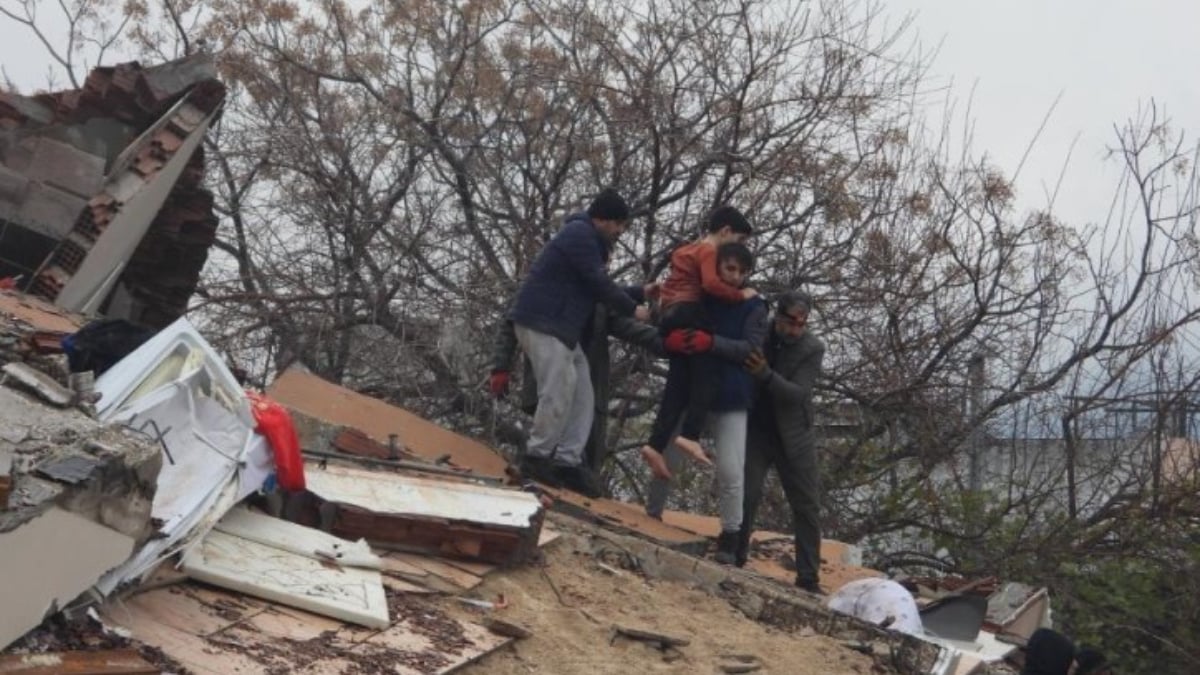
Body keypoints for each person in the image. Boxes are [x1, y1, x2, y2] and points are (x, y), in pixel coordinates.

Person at [507, 189, 651, 497]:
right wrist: (634, 309)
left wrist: (641, 291)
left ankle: (567, 461)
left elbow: (594, 284)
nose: (619, 232)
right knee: (557, 391)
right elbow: (598, 284)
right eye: (617, 225)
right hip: (545, 323)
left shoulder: (586, 239)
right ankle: (536, 456)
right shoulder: (580, 234)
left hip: (560, 329)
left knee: (582, 394)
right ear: (602, 218)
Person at [644, 242, 766, 564]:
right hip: (692, 387)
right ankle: (650, 516)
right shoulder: (700, 295)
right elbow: (666, 325)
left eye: (742, 271)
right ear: (717, 267)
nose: (735, 276)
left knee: (730, 469)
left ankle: (730, 537)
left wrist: (711, 343)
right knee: (666, 456)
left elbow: (751, 348)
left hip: (731, 393)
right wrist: (666, 341)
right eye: (729, 268)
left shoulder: (754, 306)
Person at [639, 206, 756, 479]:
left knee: (677, 386)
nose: (737, 248)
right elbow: (711, 286)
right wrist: (742, 295)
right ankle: (690, 434)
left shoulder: (686, 249)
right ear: (725, 231)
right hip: (689, 311)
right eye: (738, 241)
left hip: (669, 315)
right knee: (707, 376)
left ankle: (655, 445)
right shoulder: (707, 251)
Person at [490, 293, 662, 479]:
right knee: (543, 458)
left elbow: (624, 324)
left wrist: (667, 342)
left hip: (587, 387)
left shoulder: (598, 296)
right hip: (549, 384)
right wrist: (500, 366)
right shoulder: (552, 279)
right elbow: (514, 317)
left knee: (580, 463)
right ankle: (533, 474)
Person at [735, 291, 826, 593]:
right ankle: (735, 554)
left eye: (802, 324)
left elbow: (797, 393)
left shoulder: (811, 347)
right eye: (790, 322)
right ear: (779, 317)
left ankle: (808, 577)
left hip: (794, 434)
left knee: (806, 505)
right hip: (758, 430)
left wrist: (764, 374)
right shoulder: (759, 333)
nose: (795, 329)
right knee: (746, 492)